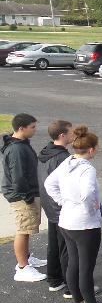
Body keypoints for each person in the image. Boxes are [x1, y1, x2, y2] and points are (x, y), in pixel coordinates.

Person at [44, 125, 102, 303]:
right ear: (91, 149)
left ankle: (78, 301)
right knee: (86, 266)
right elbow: (87, 194)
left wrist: (63, 201)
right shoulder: (87, 169)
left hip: (66, 221)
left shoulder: (67, 162)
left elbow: (49, 184)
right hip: (85, 225)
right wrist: (88, 209)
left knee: (73, 262)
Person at [2, 113, 47, 282]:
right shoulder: (17, 149)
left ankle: (26, 259)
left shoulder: (20, 144)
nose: (35, 130)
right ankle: (22, 267)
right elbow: (18, 178)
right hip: (22, 196)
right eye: (32, 127)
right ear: (21, 128)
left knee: (26, 229)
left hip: (25, 194)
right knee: (23, 230)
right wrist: (27, 198)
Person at [37, 120, 73, 292]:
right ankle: (69, 285)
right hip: (60, 206)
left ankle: (54, 279)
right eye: (70, 132)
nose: (73, 135)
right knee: (67, 247)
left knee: (54, 243)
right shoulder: (63, 159)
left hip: (49, 205)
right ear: (62, 135)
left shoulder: (45, 153)